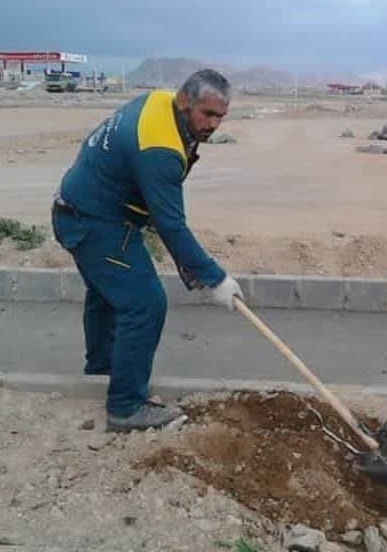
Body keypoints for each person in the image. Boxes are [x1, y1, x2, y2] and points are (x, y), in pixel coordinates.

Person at [51, 69, 244, 433]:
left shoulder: (160, 103)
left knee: (109, 293)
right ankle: (125, 407)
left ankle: (103, 372)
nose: (214, 124)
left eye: (221, 116)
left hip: (84, 210)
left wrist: (193, 269)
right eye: (208, 114)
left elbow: (161, 213)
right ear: (185, 101)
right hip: (92, 222)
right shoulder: (160, 149)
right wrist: (213, 277)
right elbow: (171, 223)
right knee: (145, 303)